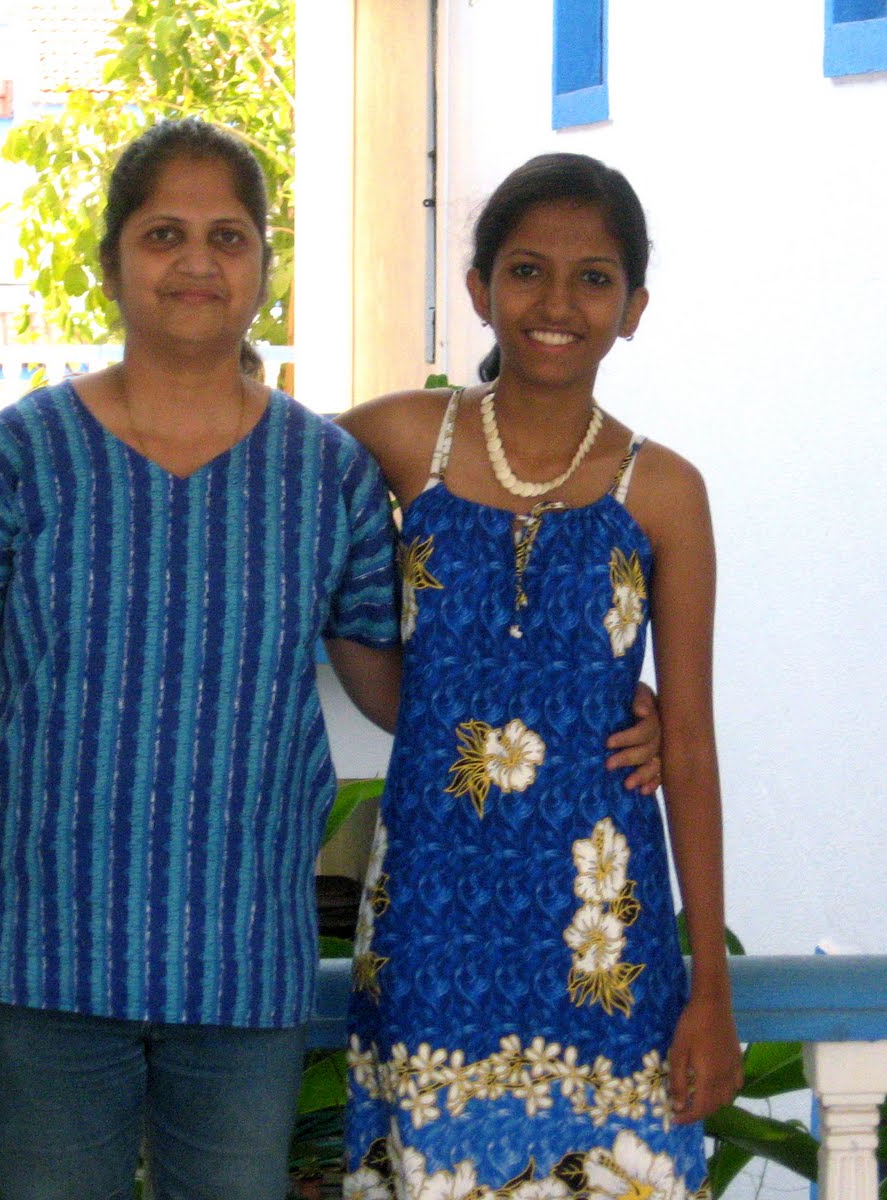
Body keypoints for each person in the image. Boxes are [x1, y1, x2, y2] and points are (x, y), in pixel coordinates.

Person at [0, 119, 664, 1200]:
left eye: (227, 237)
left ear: (263, 267)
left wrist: (594, 702)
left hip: (244, 966)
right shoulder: (22, 456)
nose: (196, 262)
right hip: (45, 958)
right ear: (111, 262)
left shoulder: (324, 472)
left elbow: (402, 695)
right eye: (163, 234)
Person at [334, 153, 741, 1197]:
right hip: (433, 916)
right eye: (526, 271)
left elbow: (691, 747)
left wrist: (710, 990)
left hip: (601, 934)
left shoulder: (666, 494)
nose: (557, 304)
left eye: (593, 278)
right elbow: (247, 482)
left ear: (633, 308)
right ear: (480, 289)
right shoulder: (403, 441)